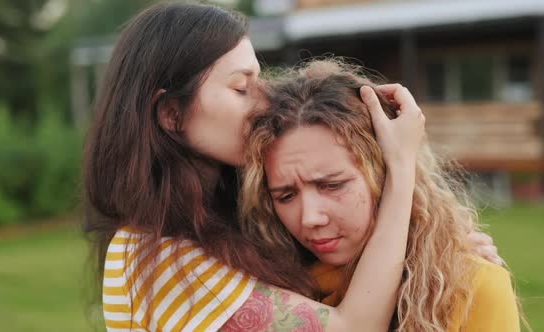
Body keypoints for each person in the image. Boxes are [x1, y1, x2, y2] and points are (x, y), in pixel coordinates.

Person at [82, 2, 500, 331]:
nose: (264, 102)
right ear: (172, 113)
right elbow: (352, 329)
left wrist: (434, 248)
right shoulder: (158, 259)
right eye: (242, 88)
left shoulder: (217, 224)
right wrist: (402, 165)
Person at [240, 59, 522, 331]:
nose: (310, 217)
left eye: (332, 185)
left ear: (385, 174)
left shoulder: (472, 287)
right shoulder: (259, 294)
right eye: (286, 196)